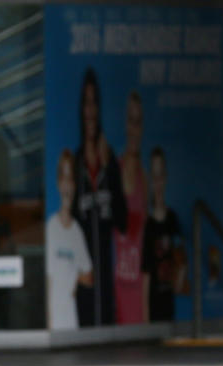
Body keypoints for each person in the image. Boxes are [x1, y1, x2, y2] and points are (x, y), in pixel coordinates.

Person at [72, 67, 127, 327]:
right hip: (82, 271)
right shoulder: (76, 161)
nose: (90, 110)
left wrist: (108, 168)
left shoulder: (110, 160)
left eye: (95, 103)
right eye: (86, 103)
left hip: (106, 271)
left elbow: (123, 220)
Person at [46, 149, 93, 330]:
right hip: (53, 321)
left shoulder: (76, 232)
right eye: (63, 178)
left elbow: (88, 276)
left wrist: (73, 275)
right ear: (58, 183)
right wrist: (48, 321)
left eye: (71, 179)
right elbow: (48, 279)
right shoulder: (51, 228)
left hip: (71, 321)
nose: (67, 186)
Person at [141, 147, 184, 321]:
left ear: (165, 178)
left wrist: (179, 281)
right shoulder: (149, 225)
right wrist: (144, 313)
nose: (158, 182)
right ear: (150, 180)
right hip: (154, 302)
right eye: (154, 176)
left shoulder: (172, 219)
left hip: (169, 301)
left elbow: (181, 259)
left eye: (161, 176)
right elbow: (145, 273)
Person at [114, 91, 146, 324]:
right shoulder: (116, 169)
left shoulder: (145, 180)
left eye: (138, 122)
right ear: (125, 125)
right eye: (131, 121)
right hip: (117, 283)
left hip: (138, 284)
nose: (134, 128)